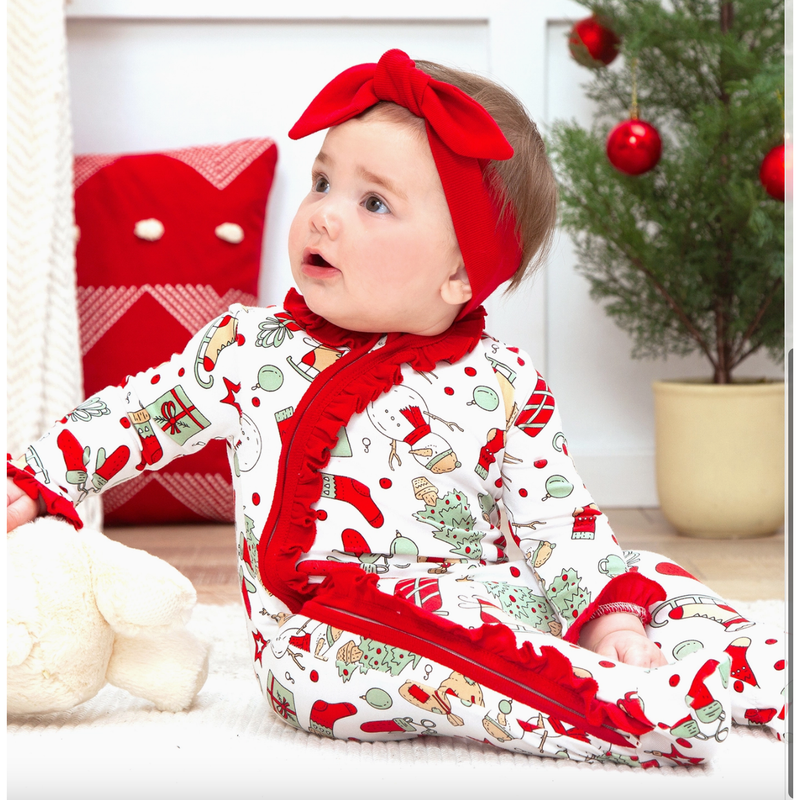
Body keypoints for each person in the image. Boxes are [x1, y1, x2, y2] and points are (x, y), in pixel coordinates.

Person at [7, 49, 785, 766]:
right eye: (322, 181)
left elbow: (562, 524)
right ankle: (609, 712)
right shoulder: (249, 350)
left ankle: (749, 668)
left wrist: (610, 616)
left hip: (481, 596)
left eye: (373, 202)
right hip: (325, 637)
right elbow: (142, 414)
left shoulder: (503, 382)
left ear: (460, 276)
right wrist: (37, 477)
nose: (323, 212)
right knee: (437, 660)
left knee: (639, 578)